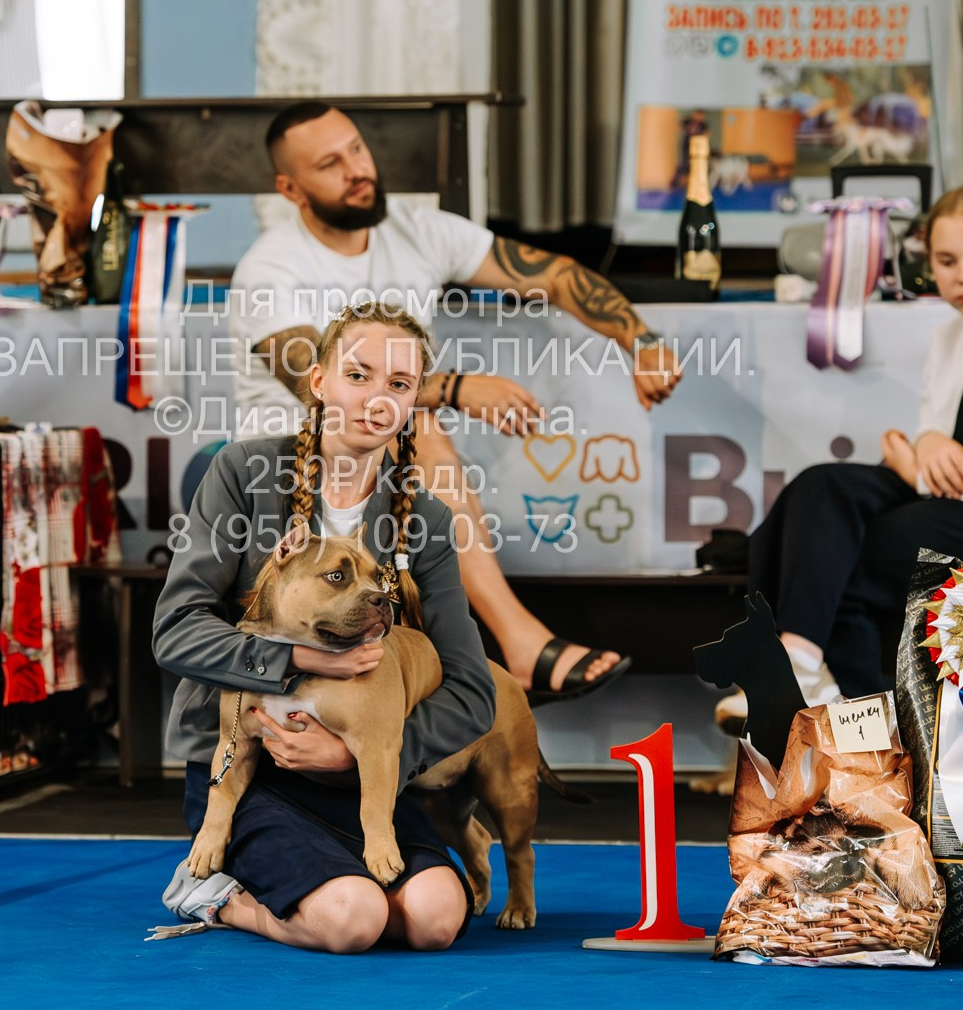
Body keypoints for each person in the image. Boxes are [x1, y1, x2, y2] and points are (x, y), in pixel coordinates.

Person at [231, 101, 684, 704]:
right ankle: (520, 643)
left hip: (387, 454)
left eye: (358, 150)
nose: (357, 169)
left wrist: (639, 339)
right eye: (331, 163)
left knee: (410, 428)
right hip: (288, 461)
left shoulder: (417, 230)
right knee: (408, 423)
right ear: (291, 188)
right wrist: (462, 387)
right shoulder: (270, 270)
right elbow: (332, 389)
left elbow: (550, 275)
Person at [155, 302, 495, 952]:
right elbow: (176, 630)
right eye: (358, 374)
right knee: (352, 918)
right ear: (319, 381)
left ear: (414, 400)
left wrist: (356, 754)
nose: (375, 398)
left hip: (362, 779)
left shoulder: (423, 519)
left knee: (434, 918)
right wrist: (297, 661)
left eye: (398, 384)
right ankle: (214, 896)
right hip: (247, 769)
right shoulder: (242, 475)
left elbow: (472, 693)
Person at [723, 179, 963, 723]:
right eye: (947, 261)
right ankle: (800, 661)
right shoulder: (951, 337)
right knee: (817, 489)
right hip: (959, 495)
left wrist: (924, 471)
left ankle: (846, 713)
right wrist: (924, 445)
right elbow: (937, 438)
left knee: (855, 551)